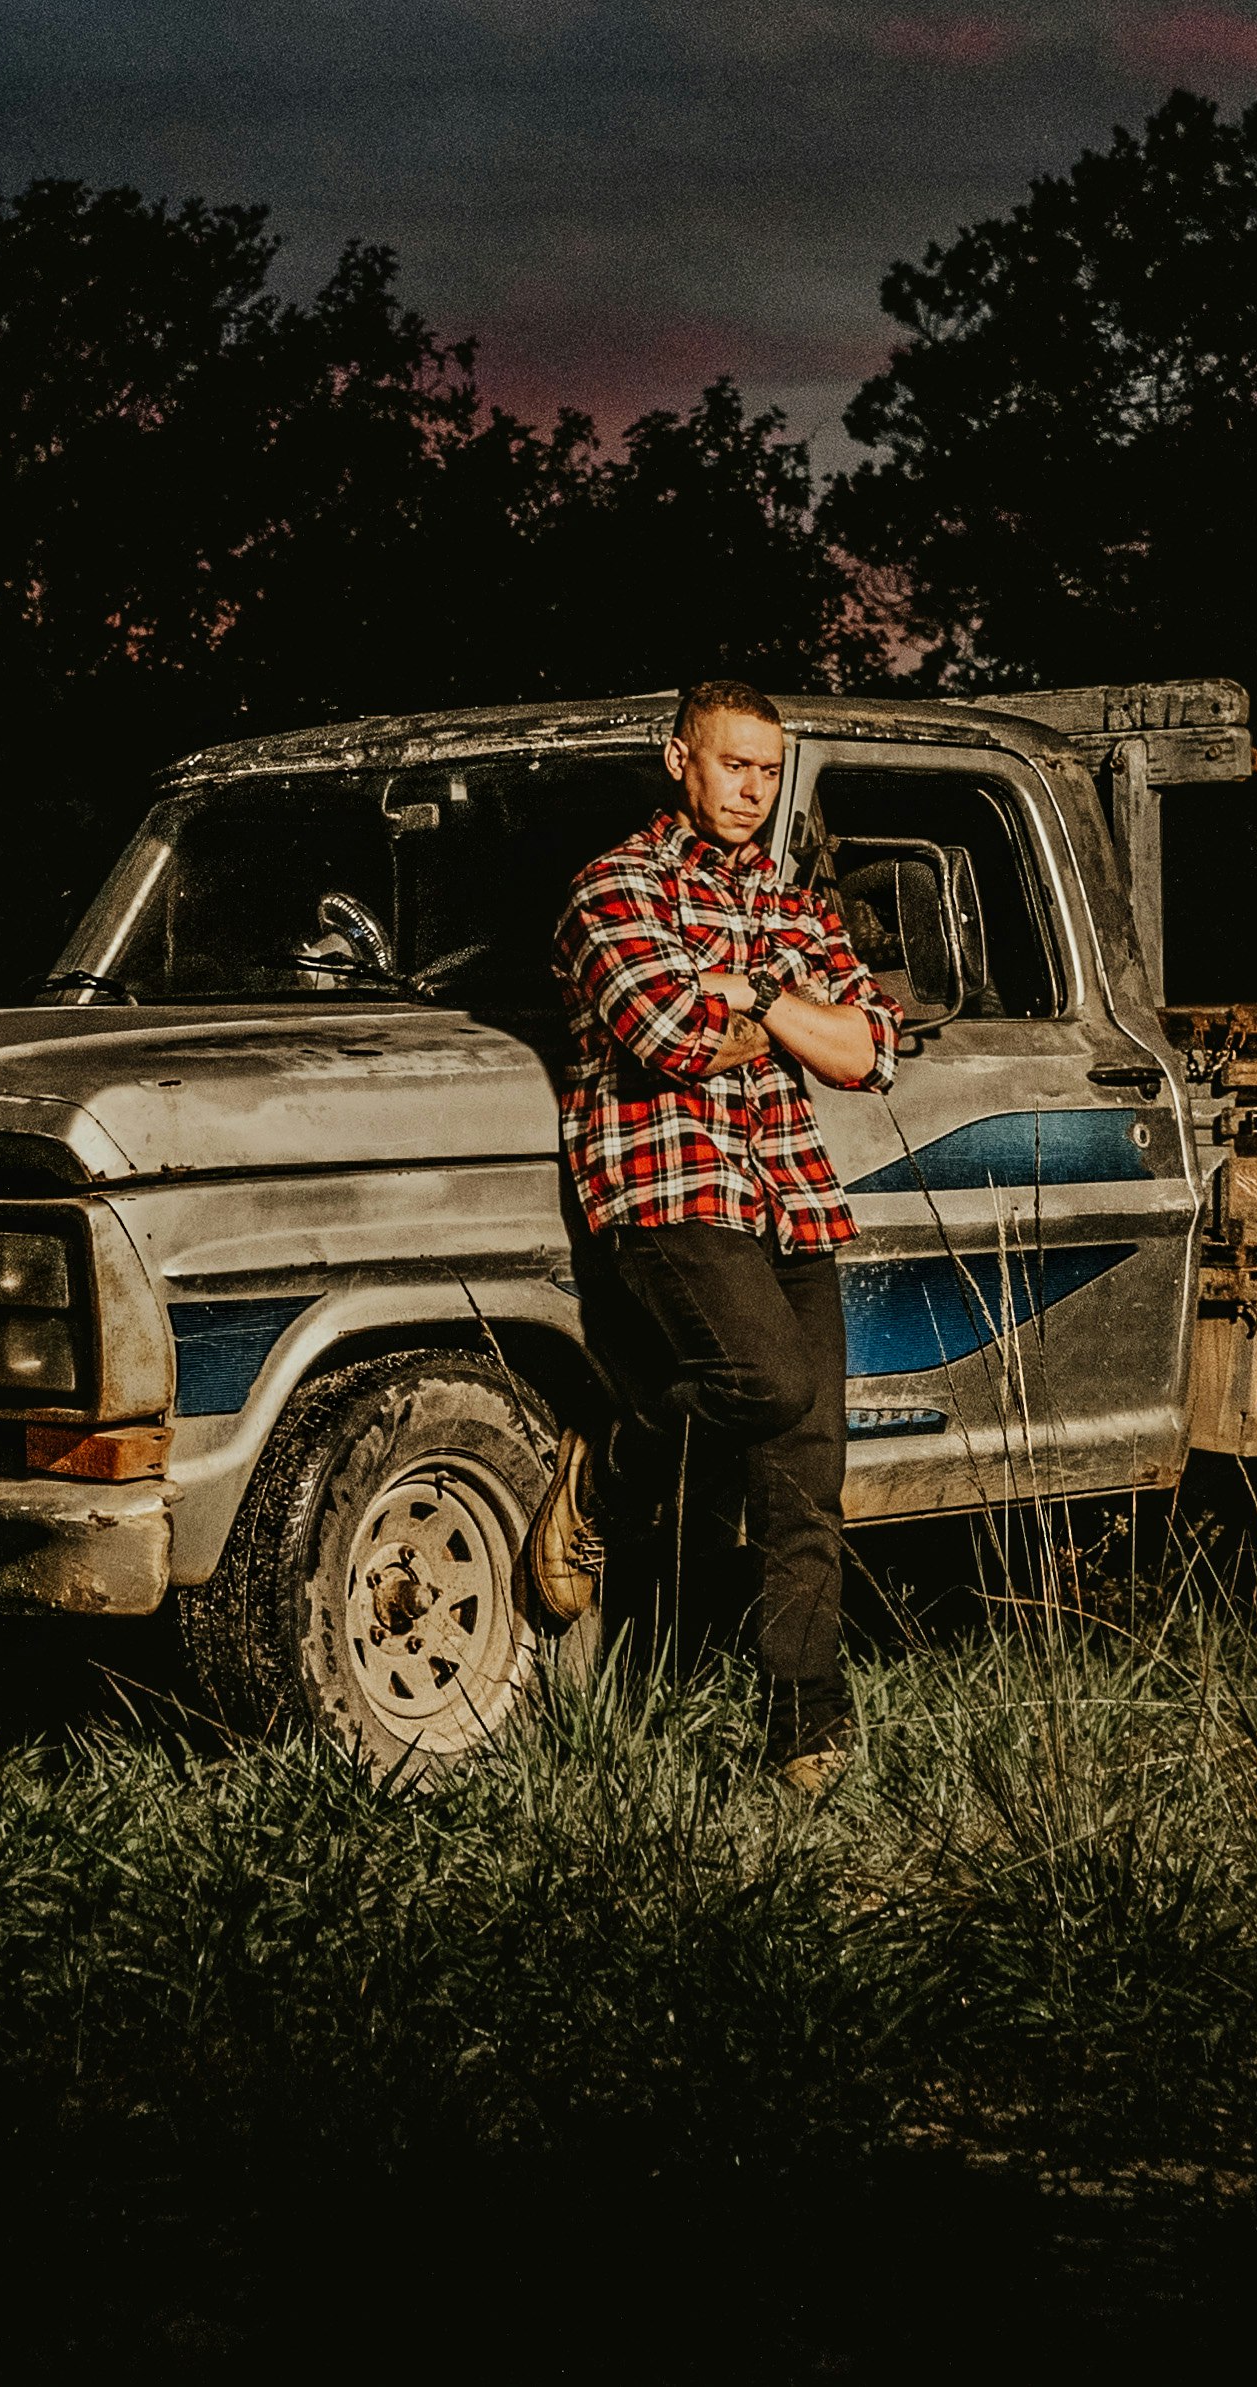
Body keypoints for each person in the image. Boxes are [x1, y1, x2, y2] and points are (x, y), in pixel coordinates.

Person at [545, 678, 899, 1792]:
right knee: (765, 1382)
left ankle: (805, 1728)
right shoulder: (612, 887)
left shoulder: (796, 900)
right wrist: (783, 1009)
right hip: (668, 1186)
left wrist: (745, 986)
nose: (749, 786)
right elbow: (671, 1033)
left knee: (808, 1474)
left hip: (790, 1188)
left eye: (765, 767)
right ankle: (606, 1466)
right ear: (678, 759)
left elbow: (869, 1050)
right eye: (729, 761)